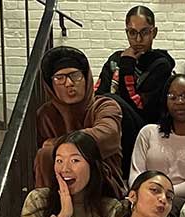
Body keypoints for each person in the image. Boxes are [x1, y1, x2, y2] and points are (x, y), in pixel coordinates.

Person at [36, 46, 125, 198]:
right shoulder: (46, 115)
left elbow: (108, 133)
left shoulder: (105, 105)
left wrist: (57, 144)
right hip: (60, 190)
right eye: (60, 78)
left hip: (104, 189)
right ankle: (48, 204)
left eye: (75, 75)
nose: (69, 83)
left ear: (86, 78)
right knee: (45, 154)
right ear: (51, 85)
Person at [129, 74, 185, 208]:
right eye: (172, 97)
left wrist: (162, 195)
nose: (179, 102)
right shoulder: (148, 132)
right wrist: (145, 194)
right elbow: (136, 173)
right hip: (145, 200)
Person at [20, 132, 126, 217]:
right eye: (59, 161)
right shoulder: (39, 200)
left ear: (92, 166)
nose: (65, 169)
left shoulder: (111, 210)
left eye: (74, 160)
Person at [95, 6, 175, 126]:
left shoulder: (160, 64)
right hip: (109, 122)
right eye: (132, 33)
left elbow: (144, 109)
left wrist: (127, 66)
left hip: (143, 126)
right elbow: (98, 96)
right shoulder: (115, 59)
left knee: (111, 100)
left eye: (144, 32)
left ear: (154, 32)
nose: (138, 39)